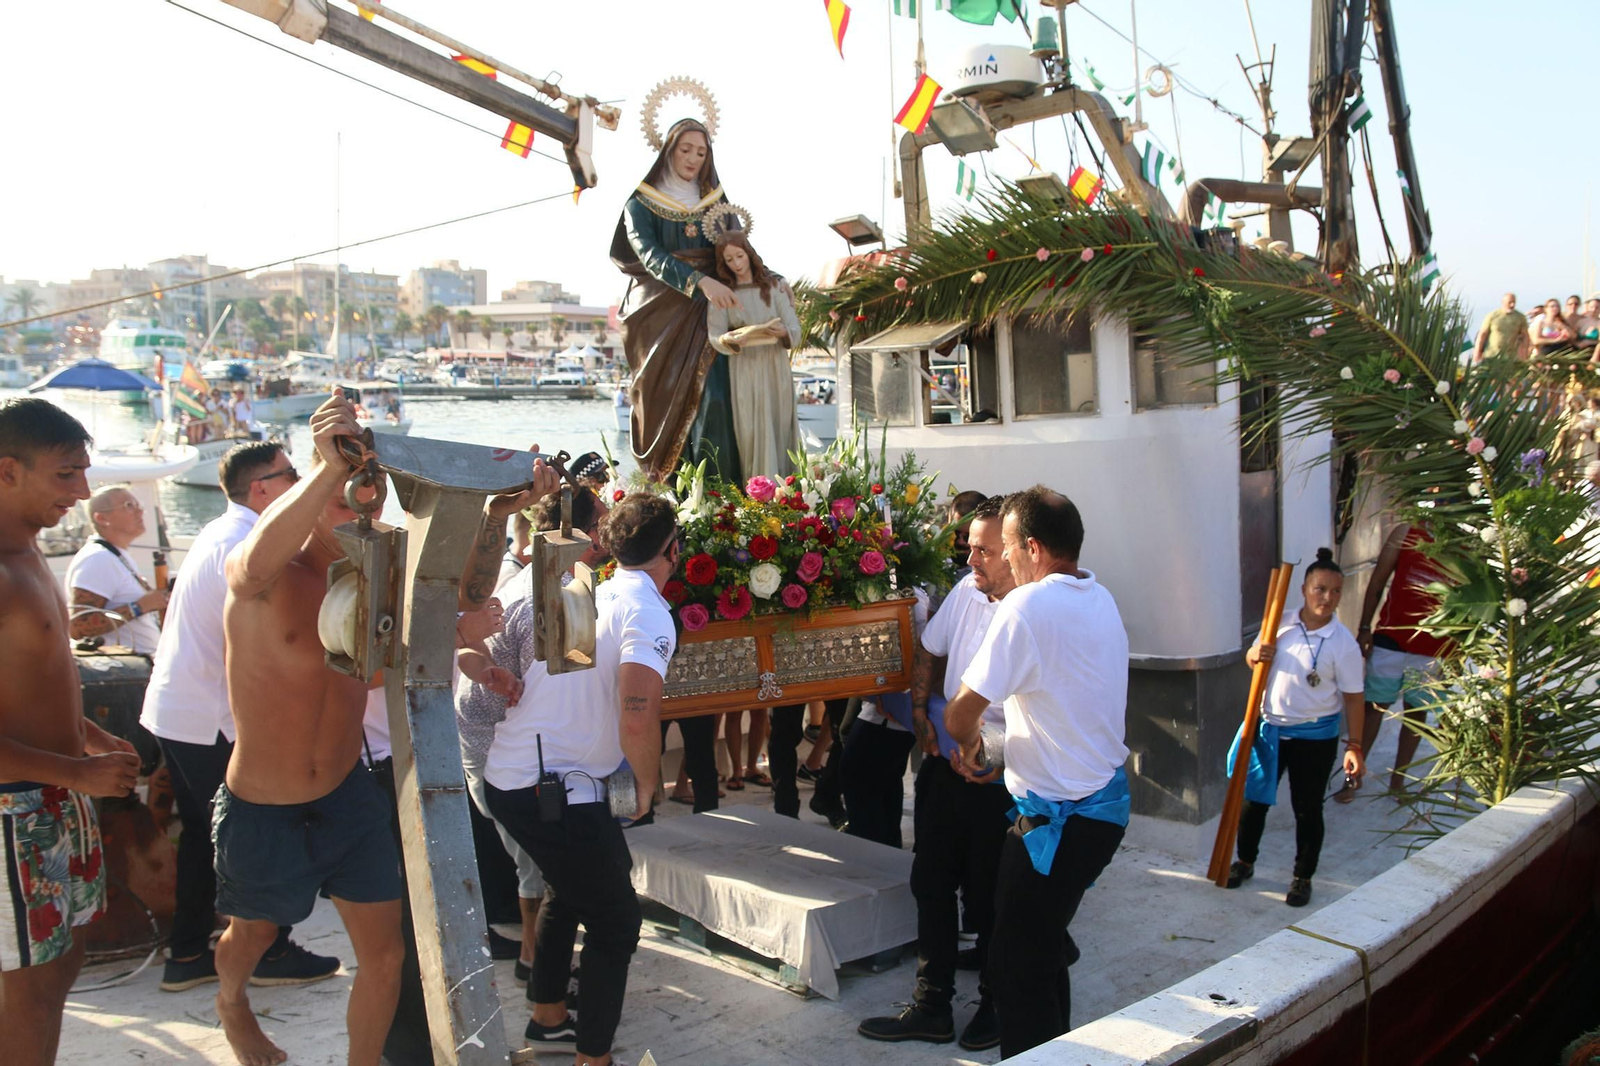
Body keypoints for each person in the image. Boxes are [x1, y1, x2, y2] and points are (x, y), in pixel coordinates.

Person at [213, 389, 552, 1066]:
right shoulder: (263, 573)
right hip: (264, 805)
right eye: (343, 494)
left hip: (345, 798)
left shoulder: (372, 579)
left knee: (386, 953)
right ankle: (231, 1003)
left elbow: (466, 598)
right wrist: (326, 467)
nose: (358, 505)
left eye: (367, 492)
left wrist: (495, 516)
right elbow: (249, 567)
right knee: (250, 936)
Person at [483, 492, 678, 1065]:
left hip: (523, 776)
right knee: (617, 923)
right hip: (549, 788)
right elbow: (637, 708)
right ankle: (594, 1058)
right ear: (672, 550)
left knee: (572, 888)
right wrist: (646, 788)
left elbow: (578, 689)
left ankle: (547, 1016)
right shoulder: (646, 608)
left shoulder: (594, 585)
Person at [139, 442, 340, 993]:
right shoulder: (248, 544)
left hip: (182, 710)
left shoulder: (218, 531)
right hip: (210, 716)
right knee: (255, 838)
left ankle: (187, 953)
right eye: (292, 475)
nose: (303, 483)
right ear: (262, 489)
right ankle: (268, 952)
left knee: (209, 842)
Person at [941, 487, 1131, 1059]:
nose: (999, 561)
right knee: (1040, 947)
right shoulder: (1100, 596)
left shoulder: (1027, 607)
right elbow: (1062, 710)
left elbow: (958, 715)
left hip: (1060, 822)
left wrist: (972, 745)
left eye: (1003, 549)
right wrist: (997, 752)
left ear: (1030, 547)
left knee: (1015, 966)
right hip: (1095, 810)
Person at [0, 398, 140, 1066]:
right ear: (6, 471)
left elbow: (32, 679)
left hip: (54, 800)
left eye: (83, 472)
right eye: (65, 474)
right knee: (25, 990)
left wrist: (88, 737)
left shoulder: (26, 551)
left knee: (58, 969)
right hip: (14, 810)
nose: (82, 491)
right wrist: (75, 773)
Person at [858, 494, 1014, 1052]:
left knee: (992, 896)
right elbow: (928, 648)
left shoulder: (1032, 613)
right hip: (946, 762)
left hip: (1002, 779)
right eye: (969, 547)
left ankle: (998, 1003)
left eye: (985, 551)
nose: (971, 561)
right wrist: (921, 713)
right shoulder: (968, 596)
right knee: (931, 882)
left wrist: (993, 755)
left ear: (1020, 552)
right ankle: (932, 1005)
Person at [458, 487, 608, 987]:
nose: (607, 532)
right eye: (602, 521)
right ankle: (536, 964)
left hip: (516, 752)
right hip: (503, 755)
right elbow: (487, 702)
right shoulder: (544, 595)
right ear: (575, 532)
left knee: (542, 870)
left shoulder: (564, 583)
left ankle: (535, 959)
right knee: (540, 871)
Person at [1225, 549, 1367, 908]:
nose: (1327, 598)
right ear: (1304, 589)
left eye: (1335, 591)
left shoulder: (1343, 643)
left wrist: (1355, 745)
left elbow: (1353, 697)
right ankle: (1244, 861)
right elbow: (1252, 656)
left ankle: (1303, 876)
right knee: (1253, 802)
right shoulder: (1280, 622)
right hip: (1270, 729)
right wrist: (1257, 655)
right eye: (1320, 589)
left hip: (1315, 737)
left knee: (1307, 808)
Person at [610, 117, 741, 483]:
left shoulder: (715, 199)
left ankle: (718, 501)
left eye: (701, 152)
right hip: (658, 314)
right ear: (668, 150)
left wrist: (770, 282)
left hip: (708, 315)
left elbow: (739, 249)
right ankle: (674, 498)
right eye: (686, 149)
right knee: (661, 403)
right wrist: (699, 282)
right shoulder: (640, 203)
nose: (693, 158)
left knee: (715, 398)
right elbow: (650, 256)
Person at [1342, 523, 1450, 798]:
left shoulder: (1467, 545)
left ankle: (1398, 781)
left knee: (1416, 713)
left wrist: (1457, 651)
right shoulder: (1405, 533)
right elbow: (1377, 580)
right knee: (1374, 708)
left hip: (1432, 647)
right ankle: (1353, 779)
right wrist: (1365, 627)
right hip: (1391, 639)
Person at [705, 231, 802, 479]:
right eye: (729, 260)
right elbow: (715, 335)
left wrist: (783, 332)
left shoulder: (773, 287)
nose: (736, 264)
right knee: (749, 431)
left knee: (779, 427)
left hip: (774, 366)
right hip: (743, 367)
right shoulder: (723, 294)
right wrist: (729, 339)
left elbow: (795, 329)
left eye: (739, 256)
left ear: (749, 253)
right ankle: (757, 494)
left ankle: (786, 491)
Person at [65, 484, 168, 654]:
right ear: (101, 518)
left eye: (138, 505)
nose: (140, 512)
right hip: (127, 670)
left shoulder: (114, 556)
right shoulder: (98, 559)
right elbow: (78, 626)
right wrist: (140, 606)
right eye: (129, 506)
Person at [1473, 292, 1529, 362]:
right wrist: (1477, 352)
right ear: (1503, 302)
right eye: (1510, 302)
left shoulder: (1520, 317)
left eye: (1514, 302)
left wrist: (1525, 354)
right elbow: (1483, 334)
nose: (1512, 305)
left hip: (1510, 357)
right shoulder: (1493, 316)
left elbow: (1525, 336)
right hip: (1492, 355)